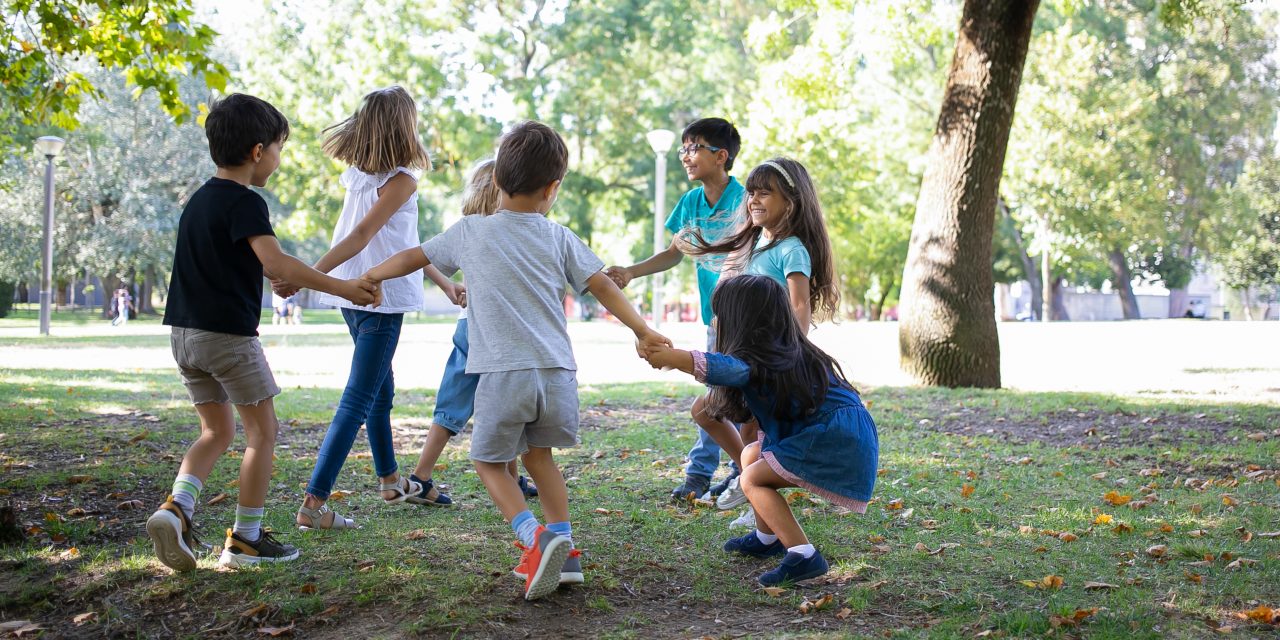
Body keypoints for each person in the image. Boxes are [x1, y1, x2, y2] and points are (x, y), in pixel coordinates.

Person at [362, 120, 670, 600]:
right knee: (540, 459)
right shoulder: (558, 236)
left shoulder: (470, 232)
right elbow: (603, 284)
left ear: (496, 182)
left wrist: (373, 275)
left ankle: (535, 538)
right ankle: (565, 552)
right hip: (557, 375)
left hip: (504, 375)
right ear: (553, 189)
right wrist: (643, 329)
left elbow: (414, 256)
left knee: (487, 460)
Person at [147, 93, 377, 571]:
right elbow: (275, 262)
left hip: (184, 337)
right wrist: (343, 287)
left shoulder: (197, 202)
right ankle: (246, 539)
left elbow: (243, 264)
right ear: (258, 152)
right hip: (227, 339)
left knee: (215, 430)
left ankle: (178, 508)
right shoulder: (246, 203)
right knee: (262, 433)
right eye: (278, 148)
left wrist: (275, 275)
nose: (277, 158)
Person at [274, 86, 445, 531]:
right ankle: (313, 504)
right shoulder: (402, 178)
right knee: (359, 397)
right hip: (377, 296)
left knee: (380, 391)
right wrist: (306, 274)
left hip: (354, 294)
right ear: (405, 126)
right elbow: (360, 238)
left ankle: (390, 480)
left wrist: (443, 281)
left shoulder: (358, 175)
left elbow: (402, 242)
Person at [641, 274, 877, 586]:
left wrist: (675, 358)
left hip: (833, 440)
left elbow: (726, 367)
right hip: (838, 436)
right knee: (751, 455)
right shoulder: (783, 352)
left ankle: (803, 555)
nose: (715, 322)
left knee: (752, 478)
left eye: (720, 315)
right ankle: (767, 538)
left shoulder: (760, 360)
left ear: (742, 322)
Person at [685, 157, 841, 527]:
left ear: (791, 200)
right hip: (741, 356)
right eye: (751, 193)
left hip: (771, 360)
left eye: (764, 193)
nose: (753, 199)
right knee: (708, 413)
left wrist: (794, 355)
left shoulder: (792, 249)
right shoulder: (753, 243)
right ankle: (748, 483)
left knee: (753, 432)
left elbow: (799, 305)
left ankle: (760, 515)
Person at [604, 117, 746, 504]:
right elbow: (673, 253)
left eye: (693, 148)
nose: (686, 156)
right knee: (720, 395)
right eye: (683, 148)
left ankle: (706, 473)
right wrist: (631, 272)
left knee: (721, 397)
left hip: (746, 320)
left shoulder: (746, 199)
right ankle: (736, 470)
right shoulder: (690, 203)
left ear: (721, 156)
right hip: (713, 319)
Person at [404, 158, 540, 507]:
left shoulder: (468, 228)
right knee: (503, 401)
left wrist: (452, 285)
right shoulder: (509, 229)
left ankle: (423, 475)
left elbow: (425, 255)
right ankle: (424, 477)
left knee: (458, 403)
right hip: (494, 332)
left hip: (469, 327)